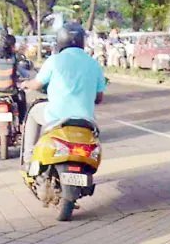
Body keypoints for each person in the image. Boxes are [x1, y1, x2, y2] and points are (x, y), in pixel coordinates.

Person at [21, 23, 106, 163]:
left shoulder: (54, 60)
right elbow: (99, 97)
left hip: (55, 117)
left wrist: (26, 84)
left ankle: (28, 158)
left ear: (60, 40)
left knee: (32, 113)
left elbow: (37, 84)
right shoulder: (93, 63)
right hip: (86, 120)